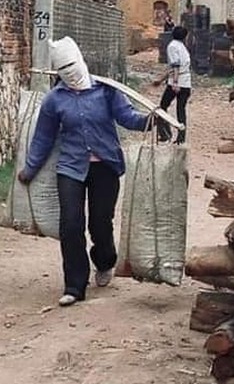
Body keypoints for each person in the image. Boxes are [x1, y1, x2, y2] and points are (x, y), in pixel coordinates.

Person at [17, 37, 155, 307]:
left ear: (82, 63)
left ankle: (104, 261)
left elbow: (127, 117)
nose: (71, 74)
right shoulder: (54, 100)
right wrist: (30, 169)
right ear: (59, 74)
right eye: (65, 71)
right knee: (70, 225)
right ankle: (74, 286)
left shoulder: (106, 90)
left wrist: (149, 122)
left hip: (105, 165)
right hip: (71, 167)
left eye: (73, 67)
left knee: (100, 223)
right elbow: (43, 138)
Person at [155, 25, 191, 144]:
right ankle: (181, 138)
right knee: (181, 110)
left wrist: (175, 83)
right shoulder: (182, 47)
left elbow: (175, 66)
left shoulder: (172, 46)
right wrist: (161, 80)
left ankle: (165, 134)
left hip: (176, 82)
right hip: (186, 82)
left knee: (162, 107)